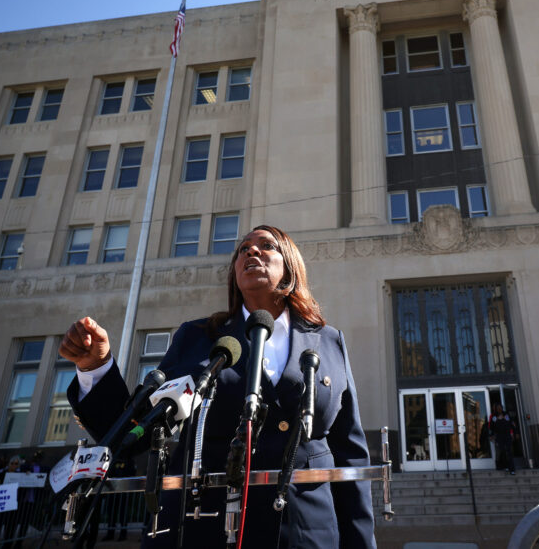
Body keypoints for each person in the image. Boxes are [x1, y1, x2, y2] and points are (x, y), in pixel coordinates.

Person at [61, 225, 376, 549]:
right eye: (243, 249)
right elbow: (133, 432)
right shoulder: (199, 338)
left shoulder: (328, 341)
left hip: (304, 533)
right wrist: (94, 367)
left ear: (290, 266)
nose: (251, 252)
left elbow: (350, 456)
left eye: (266, 245)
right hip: (204, 529)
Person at [487, 404, 517, 475]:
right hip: (499, 436)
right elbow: (491, 426)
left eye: (500, 408)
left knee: (509, 452)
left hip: (507, 435)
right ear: (496, 409)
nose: (499, 409)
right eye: (498, 408)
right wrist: (492, 435)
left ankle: (512, 469)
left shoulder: (506, 415)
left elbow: (511, 424)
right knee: (502, 451)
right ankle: (506, 466)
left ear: (502, 408)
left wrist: (514, 433)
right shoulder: (494, 416)